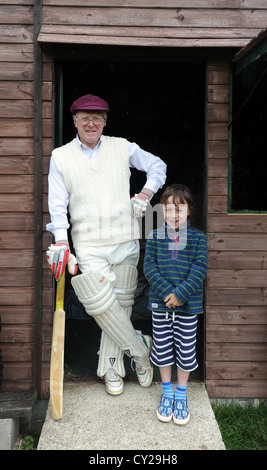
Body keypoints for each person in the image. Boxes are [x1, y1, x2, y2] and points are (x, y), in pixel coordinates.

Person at [46, 93, 167, 396]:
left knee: (122, 304)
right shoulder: (61, 156)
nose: (91, 123)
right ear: (74, 121)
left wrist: (146, 195)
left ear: (104, 122)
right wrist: (62, 240)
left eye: (97, 118)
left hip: (125, 239)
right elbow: (57, 204)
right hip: (88, 244)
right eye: (84, 117)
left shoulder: (122, 147)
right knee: (97, 302)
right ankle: (140, 351)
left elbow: (157, 166)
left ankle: (112, 367)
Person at [143, 184, 208, 424]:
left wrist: (181, 294)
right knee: (161, 350)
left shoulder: (198, 239)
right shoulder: (155, 236)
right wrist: (167, 293)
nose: (173, 215)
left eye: (179, 209)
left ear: (189, 210)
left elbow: (199, 269)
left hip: (188, 307)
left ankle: (181, 393)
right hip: (160, 307)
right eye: (169, 209)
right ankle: (167, 391)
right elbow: (149, 268)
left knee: (186, 350)